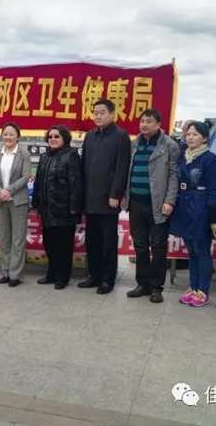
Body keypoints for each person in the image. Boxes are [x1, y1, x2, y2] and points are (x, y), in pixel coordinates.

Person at [123, 108, 180, 303]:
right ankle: (142, 284)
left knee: (158, 246)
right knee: (140, 245)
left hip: (158, 204)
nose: (144, 125)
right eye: (142, 121)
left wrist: (169, 201)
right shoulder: (134, 144)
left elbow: (174, 175)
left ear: (158, 124)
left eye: (148, 121)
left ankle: (156, 287)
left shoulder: (169, 145)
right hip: (136, 203)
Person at [79, 98, 131, 295]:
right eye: (95, 112)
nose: (98, 116)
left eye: (102, 112)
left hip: (109, 199)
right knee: (92, 240)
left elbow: (122, 167)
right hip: (90, 197)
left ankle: (108, 280)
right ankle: (94, 275)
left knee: (108, 241)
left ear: (112, 114)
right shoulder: (90, 136)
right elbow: (84, 166)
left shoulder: (121, 136)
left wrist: (115, 194)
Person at [169, 121, 216, 307]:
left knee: (201, 251)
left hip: (201, 208)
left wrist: (213, 218)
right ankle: (193, 286)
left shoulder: (210, 159)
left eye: (195, 134)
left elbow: (214, 191)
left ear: (205, 138)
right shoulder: (183, 157)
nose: (190, 137)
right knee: (191, 252)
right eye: (188, 134)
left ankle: (202, 291)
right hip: (184, 206)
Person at [32, 125, 83, 289]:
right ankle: (51, 273)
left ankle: (63, 277)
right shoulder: (44, 157)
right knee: (49, 244)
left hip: (64, 211)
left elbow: (76, 185)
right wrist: (36, 202)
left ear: (64, 138)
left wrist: (74, 210)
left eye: (56, 136)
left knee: (64, 246)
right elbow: (38, 181)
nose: (53, 139)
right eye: (50, 136)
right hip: (47, 210)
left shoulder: (71, 155)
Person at [0, 122, 31, 287]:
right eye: (5, 134)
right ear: (2, 136)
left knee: (18, 239)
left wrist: (8, 190)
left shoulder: (24, 154)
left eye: (12, 134)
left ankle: (15, 274)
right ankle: (5, 271)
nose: (8, 137)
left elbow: (26, 176)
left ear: (17, 137)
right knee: (4, 238)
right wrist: (0, 191)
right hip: (0, 201)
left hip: (18, 201)